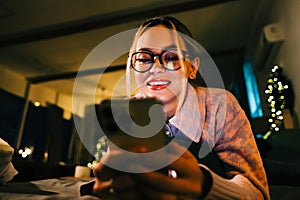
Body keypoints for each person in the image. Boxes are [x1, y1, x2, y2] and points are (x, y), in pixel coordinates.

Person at [81, 16, 270, 199]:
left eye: (172, 56)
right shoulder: (125, 114)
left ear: (193, 68)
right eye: (144, 58)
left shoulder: (219, 105)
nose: (155, 68)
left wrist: (206, 186)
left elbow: (258, 193)